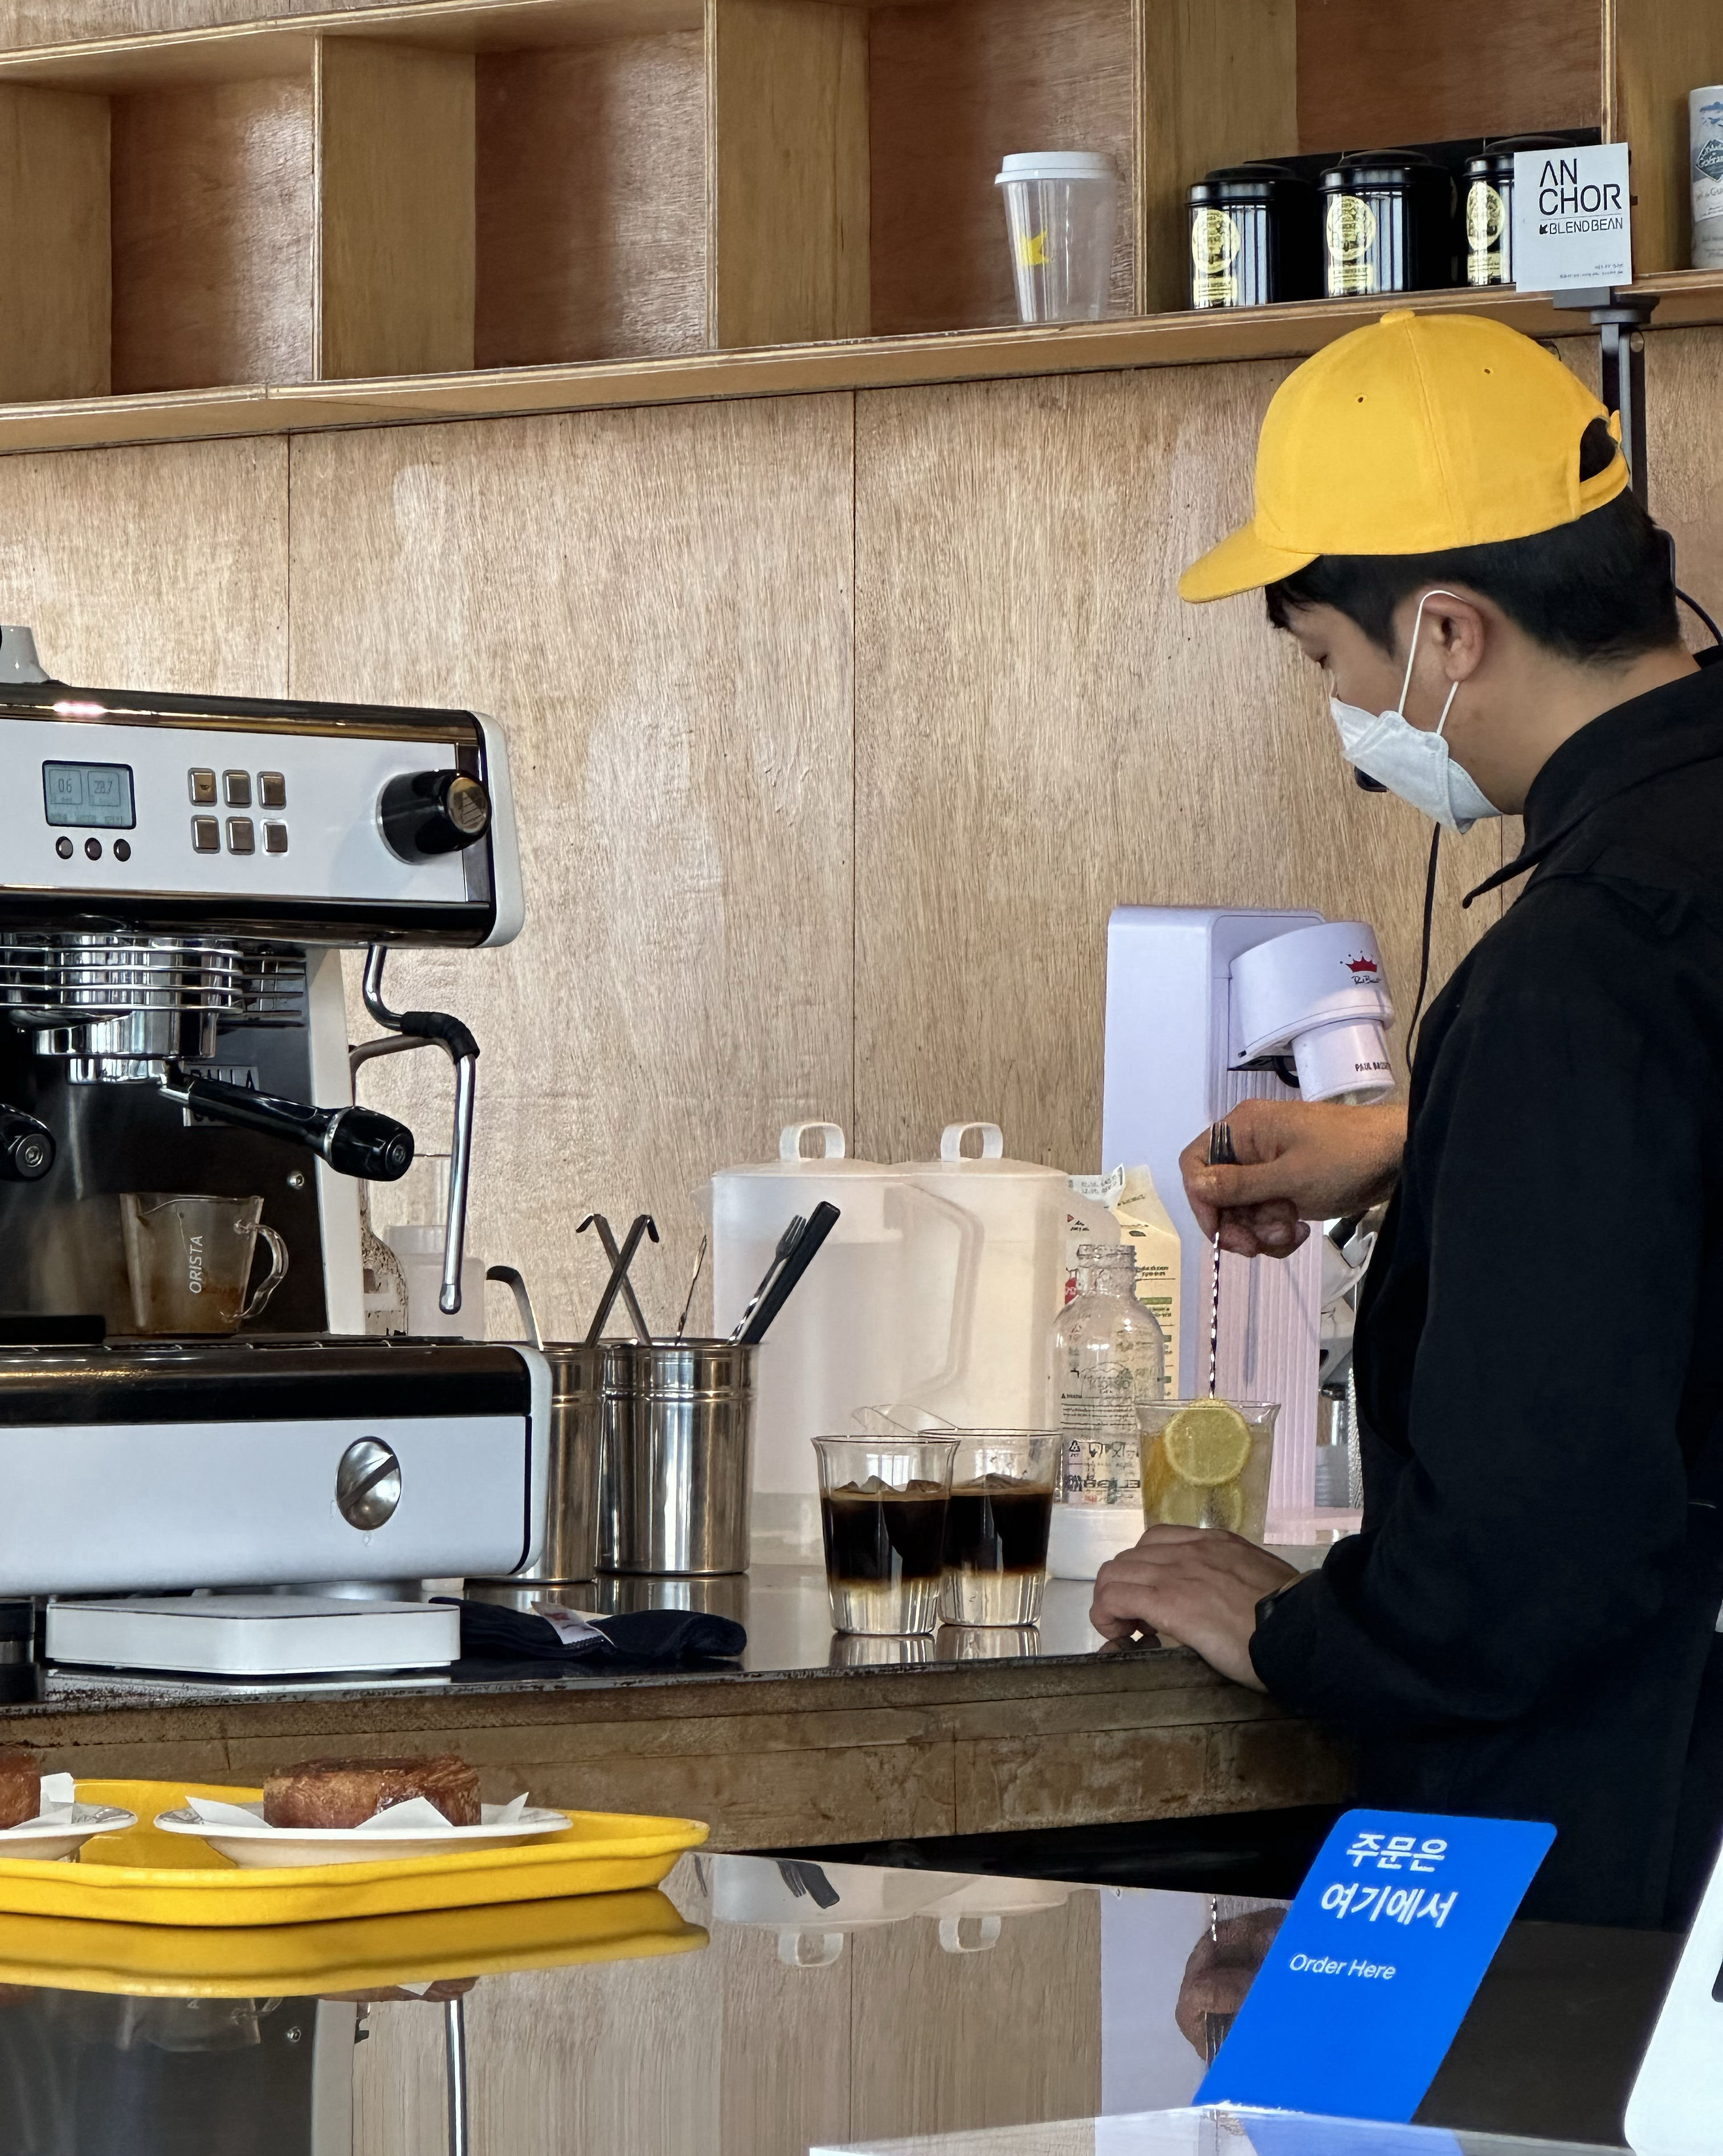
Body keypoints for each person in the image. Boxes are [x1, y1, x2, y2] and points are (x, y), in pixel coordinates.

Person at [1089, 308, 1723, 1928]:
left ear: (1448, 631)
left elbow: (1532, 1554)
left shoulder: (1574, 973)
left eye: (1328, 663)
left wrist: (1290, 1624)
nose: (1345, 719)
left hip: (1622, 1869)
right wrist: (1430, 1153)